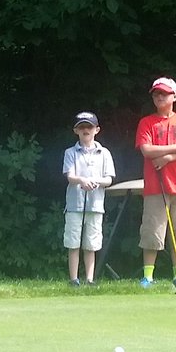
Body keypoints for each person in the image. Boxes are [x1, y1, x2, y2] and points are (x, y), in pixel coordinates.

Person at [135, 77, 176, 292]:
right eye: (156, 93)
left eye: (164, 93)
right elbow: (147, 150)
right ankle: (148, 278)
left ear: (174, 96)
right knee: (152, 232)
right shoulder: (146, 122)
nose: (159, 97)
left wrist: (169, 158)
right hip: (155, 186)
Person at [63, 112, 115, 286]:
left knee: (91, 244)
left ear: (96, 130)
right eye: (82, 127)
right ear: (76, 130)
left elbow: (108, 179)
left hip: (96, 205)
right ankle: (74, 279)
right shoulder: (70, 152)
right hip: (74, 204)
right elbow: (70, 176)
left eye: (89, 126)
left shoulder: (104, 153)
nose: (86, 130)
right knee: (73, 242)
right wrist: (82, 180)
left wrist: (94, 182)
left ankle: (90, 279)